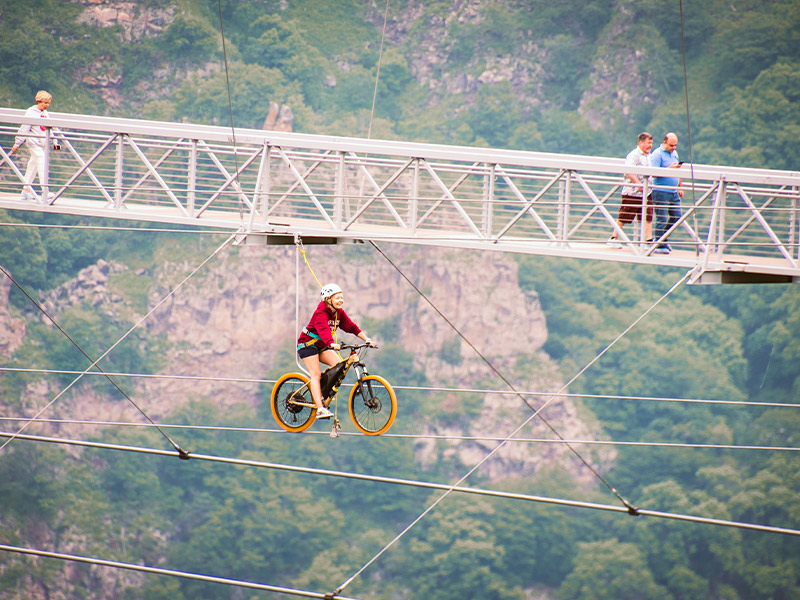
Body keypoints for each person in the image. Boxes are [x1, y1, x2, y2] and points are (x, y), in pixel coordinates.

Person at [297, 283, 375, 419]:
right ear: (328, 300)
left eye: (342, 297)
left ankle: (322, 391)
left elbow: (351, 326)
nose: (341, 300)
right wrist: (332, 343)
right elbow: (323, 330)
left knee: (339, 365)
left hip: (321, 346)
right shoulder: (320, 313)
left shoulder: (338, 313)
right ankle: (320, 409)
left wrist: (366, 339)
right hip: (307, 345)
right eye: (337, 298)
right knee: (315, 375)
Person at [10, 90, 61, 201]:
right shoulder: (31, 113)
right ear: (39, 101)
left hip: (43, 144)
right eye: (45, 103)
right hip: (33, 143)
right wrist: (17, 143)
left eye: (48, 103)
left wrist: (55, 142)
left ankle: (25, 190)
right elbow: (24, 128)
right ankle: (45, 191)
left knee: (32, 166)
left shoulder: (45, 113)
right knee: (42, 161)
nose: (47, 105)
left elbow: (49, 129)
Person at [607, 132, 654, 248]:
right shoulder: (634, 155)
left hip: (646, 192)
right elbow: (628, 171)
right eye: (648, 143)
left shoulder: (648, 156)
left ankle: (648, 241)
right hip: (632, 192)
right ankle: (613, 237)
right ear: (641, 143)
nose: (650, 146)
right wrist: (638, 183)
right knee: (625, 216)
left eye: (651, 143)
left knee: (648, 216)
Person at [649, 132, 683, 255]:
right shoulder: (657, 154)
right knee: (661, 218)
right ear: (664, 142)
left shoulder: (674, 154)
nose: (673, 148)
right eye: (671, 145)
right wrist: (670, 169)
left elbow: (678, 170)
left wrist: (680, 186)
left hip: (673, 191)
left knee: (677, 216)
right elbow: (654, 173)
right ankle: (658, 244)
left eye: (675, 145)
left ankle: (663, 238)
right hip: (660, 190)